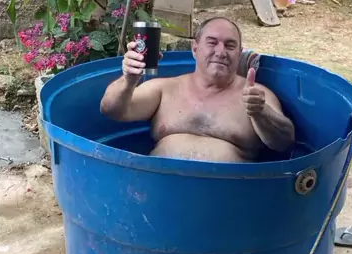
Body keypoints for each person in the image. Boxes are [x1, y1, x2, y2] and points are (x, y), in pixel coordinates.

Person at [100, 17, 295, 163]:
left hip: (229, 194)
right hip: (158, 191)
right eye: (212, 42)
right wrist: (128, 80)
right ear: (195, 49)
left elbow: (284, 143)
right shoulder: (165, 89)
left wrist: (261, 112)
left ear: (239, 53)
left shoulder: (256, 95)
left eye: (230, 45)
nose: (221, 52)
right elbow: (111, 110)